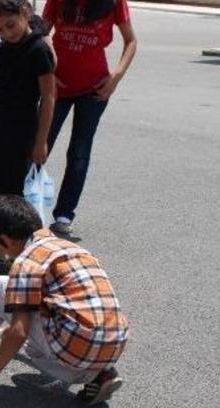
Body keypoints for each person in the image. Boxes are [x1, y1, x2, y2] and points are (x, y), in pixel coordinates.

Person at [0, 196, 129, 407]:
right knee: (35, 340)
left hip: (77, 346)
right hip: (114, 343)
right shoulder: (71, 248)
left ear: (7, 240)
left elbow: (19, 333)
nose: (3, 255)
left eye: (0, 248)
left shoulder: (27, 260)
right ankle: (99, 374)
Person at [0, 0, 56, 278]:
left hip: (23, 133)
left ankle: (3, 256)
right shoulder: (3, 49)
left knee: (16, 200)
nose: (7, 32)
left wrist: (41, 141)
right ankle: (17, 251)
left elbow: (50, 96)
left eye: (11, 24)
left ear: (25, 14)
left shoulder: (38, 49)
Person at [42, 0, 137, 235]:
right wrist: (49, 70)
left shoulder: (115, 2)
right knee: (40, 145)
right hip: (58, 86)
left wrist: (116, 77)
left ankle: (64, 214)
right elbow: (42, 32)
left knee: (79, 152)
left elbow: (131, 41)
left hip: (95, 89)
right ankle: (22, 207)